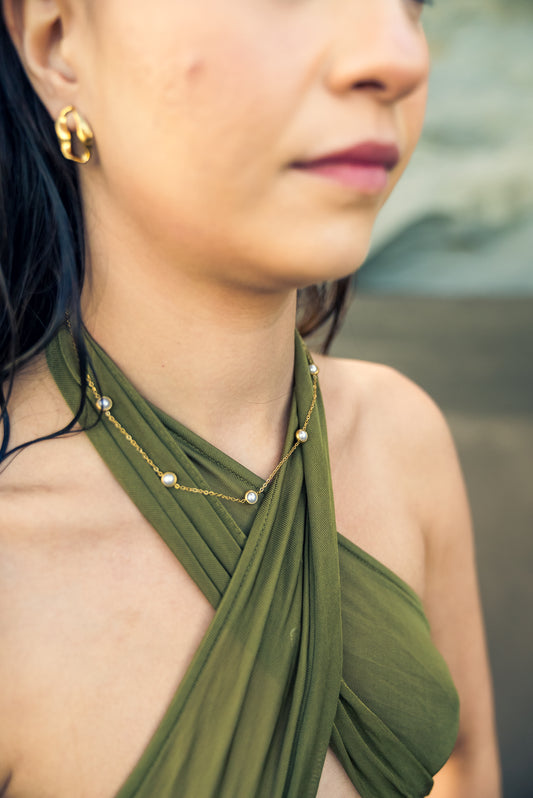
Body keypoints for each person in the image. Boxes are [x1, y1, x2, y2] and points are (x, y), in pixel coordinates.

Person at [0, 0, 501, 796]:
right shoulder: (14, 576)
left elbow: (468, 771)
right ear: (59, 44)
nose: (399, 55)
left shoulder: (401, 438)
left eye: (413, 3)